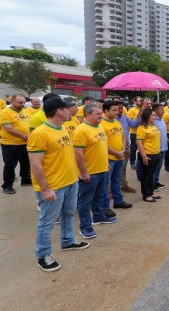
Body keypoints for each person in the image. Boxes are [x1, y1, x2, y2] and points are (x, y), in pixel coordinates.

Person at [28, 97, 89, 272]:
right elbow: (35, 164)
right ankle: (43, 254)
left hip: (70, 181)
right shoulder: (40, 133)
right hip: (53, 186)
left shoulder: (61, 128)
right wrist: (45, 189)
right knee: (47, 222)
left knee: (69, 213)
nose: (71, 110)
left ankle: (68, 240)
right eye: (67, 108)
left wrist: (75, 173)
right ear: (59, 111)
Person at [74, 104, 114, 240]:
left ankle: (98, 216)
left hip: (102, 170)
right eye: (98, 114)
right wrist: (83, 172)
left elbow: (102, 147)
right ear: (87, 114)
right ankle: (85, 226)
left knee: (99, 196)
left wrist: (106, 163)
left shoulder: (100, 126)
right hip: (90, 172)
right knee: (85, 201)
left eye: (101, 113)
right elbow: (78, 153)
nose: (101, 116)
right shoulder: (81, 130)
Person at [100, 101, 132, 212]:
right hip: (109, 158)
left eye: (117, 110)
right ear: (106, 111)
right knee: (105, 183)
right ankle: (105, 207)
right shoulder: (101, 124)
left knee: (117, 180)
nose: (117, 112)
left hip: (120, 156)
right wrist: (116, 152)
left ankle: (118, 201)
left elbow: (123, 137)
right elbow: (103, 143)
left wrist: (122, 150)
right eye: (113, 110)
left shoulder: (117, 123)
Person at [0, 94, 32, 194]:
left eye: (23, 102)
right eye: (20, 102)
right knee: (10, 165)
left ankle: (25, 179)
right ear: (12, 101)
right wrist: (24, 135)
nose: (23, 104)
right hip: (10, 144)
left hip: (25, 143)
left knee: (26, 163)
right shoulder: (5, 112)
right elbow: (8, 128)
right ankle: (7, 185)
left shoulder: (26, 111)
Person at [136, 109, 161, 202]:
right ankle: (146, 194)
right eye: (153, 115)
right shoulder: (142, 128)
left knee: (152, 174)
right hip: (148, 154)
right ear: (147, 117)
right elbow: (139, 143)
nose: (155, 117)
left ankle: (151, 192)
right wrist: (144, 156)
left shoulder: (153, 126)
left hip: (156, 153)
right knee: (146, 175)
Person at [116, 102, 140, 193]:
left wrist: (139, 116)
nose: (120, 110)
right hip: (114, 149)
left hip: (125, 148)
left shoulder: (124, 118)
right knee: (113, 169)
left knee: (123, 167)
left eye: (122, 108)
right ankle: (110, 188)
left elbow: (134, 125)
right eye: (118, 109)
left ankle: (123, 185)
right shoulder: (107, 121)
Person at [152, 103, 168, 191]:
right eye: (161, 109)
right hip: (156, 148)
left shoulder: (162, 120)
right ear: (155, 110)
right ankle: (152, 183)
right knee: (154, 167)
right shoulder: (153, 121)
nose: (163, 110)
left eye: (163, 108)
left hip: (163, 147)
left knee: (159, 166)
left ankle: (156, 181)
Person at [127, 96, 143, 169]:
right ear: (135, 102)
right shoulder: (131, 110)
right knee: (133, 148)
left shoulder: (144, 109)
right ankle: (132, 162)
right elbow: (131, 123)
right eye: (139, 101)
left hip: (143, 132)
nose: (140, 102)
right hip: (134, 132)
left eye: (141, 101)